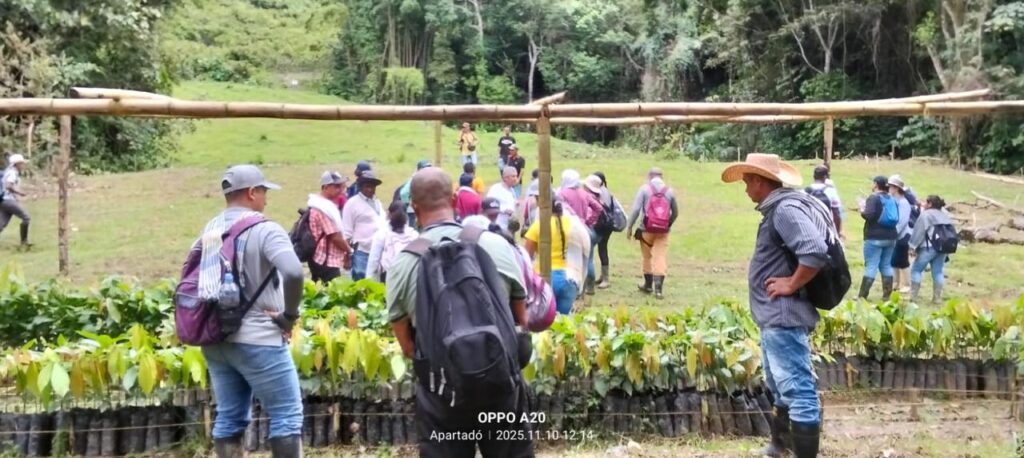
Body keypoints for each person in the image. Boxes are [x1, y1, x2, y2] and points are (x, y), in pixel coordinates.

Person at [385, 167, 533, 457]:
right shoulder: (496, 245)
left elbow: (408, 347)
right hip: (500, 385)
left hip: (442, 393)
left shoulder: (403, 263)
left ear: (414, 206)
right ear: (454, 198)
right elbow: (521, 320)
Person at [721, 153, 828, 458]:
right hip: (775, 316)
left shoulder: (784, 210)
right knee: (781, 387)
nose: (745, 189)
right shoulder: (778, 209)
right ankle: (780, 447)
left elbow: (814, 250)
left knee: (798, 389)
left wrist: (791, 283)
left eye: (747, 182)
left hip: (784, 315)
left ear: (758, 181)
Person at [200, 165, 305, 458]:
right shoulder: (265, 229)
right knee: (287, 414)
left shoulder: (210, 230)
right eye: (263, 191)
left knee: (229, 416)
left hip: (216, 339)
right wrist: (288, 317)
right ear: (251, 192)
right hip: (258, 338)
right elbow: (294, 272)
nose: (266, 198)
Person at [626, 168, 679, 300]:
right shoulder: (669, 191)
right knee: (660, 257)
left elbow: (636, 210)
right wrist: (668, 224)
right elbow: (675, 212)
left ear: (649, 176)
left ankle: (648, 285)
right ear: (662, 177)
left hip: (646, 230)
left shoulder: (644, 189)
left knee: (647, 257)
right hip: (663, 232)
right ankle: (658, 290)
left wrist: (630, 227)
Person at [525, 198, 583, 315]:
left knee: (544, 321)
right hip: (570, 278)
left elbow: (527, 256)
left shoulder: (538, 226)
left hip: (544, 278)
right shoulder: (572, 224)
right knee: (564, 322)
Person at [307, 171, 354, 284]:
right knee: (332, 291)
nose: (340, 190)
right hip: (325, 261)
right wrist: (349, 251)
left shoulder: (322, 205)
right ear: (325, 187)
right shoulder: (321, 209)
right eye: (337, 186)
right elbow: (335, 237)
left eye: (341, 186)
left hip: (319, 259)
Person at [858, 176, 899, 301]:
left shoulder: (873, 198)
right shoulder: (892, 199)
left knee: (871, 266)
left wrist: (862, 209)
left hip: (874, 237)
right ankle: (886, 296)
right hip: (891, 237)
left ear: (876, 184)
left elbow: (869, 216)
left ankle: (862, 296)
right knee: (886, 265)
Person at [909, 195, 956, 304]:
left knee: (916, 270)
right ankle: (937, 298)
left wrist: (912, 246)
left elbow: (919, 232)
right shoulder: (945, 215)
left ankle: (913, 297)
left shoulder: (926, 215)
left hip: (928, 247)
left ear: (930, 204)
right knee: (938, 272)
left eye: (926, 202)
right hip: (942, 247)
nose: (924, 204)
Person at [341, 170, 384, 281]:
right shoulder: (352, 204)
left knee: (377, 282)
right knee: (361, 281)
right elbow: (347, 232)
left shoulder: (377, 203)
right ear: (360, 187)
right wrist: (347, 256)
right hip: (362, 251)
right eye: (367, 186)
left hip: (379, 250)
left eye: (372, 187)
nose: (370, 189)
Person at [366, 202, 419, 283]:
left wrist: (369, 282)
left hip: (388, 277)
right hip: (409, 276)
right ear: (406, 215)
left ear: (388, 214)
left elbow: (373, 261)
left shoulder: (381, 234)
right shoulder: (414, 234)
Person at [588, 172, 622, 289]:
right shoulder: (605, 190)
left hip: (603, 224)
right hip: (607, 224)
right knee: (602, 248)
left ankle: (605, 279)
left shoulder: (601, 192)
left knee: (602, 249)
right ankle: (603, 276)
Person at [887, 176, 914, 296]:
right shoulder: (894, 200)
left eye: (891, 187)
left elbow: (902, 222)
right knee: (893, 261)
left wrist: (894, 233)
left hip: (902, 236)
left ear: (896, 188)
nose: (889, 189)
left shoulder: (903, 203)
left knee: (902, 261)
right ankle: (895, 284)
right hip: (895, 235)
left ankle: (906, 285)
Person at [0, 154, 32, 249]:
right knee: (26, 217)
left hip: (3, 200)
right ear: (17, 164)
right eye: (22, 163)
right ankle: (24, 242)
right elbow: (8, 186)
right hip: (8, 200)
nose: (23, 166)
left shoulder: (9, 172)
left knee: (1, 224)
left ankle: (24, 242)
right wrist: (20, 193)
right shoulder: (12, 173)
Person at [806, 166, 843, 237]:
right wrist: (837, 233)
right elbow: (836, 213)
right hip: (826, 230)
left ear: (814, 176)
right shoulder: (831, 191)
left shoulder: (805, 191)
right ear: (825, 177)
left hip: (809, 229)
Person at [394, 160, 433, 228]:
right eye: (425, 169)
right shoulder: (414, 180)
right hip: (412, 212)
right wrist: (410, 205)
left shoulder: (425, 180)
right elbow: (404, 193)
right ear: (419, 170)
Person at [486, 166, 520, 231]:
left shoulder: (512, 190)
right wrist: (504, 210)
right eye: (513, 176)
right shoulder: (496, 189)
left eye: (516, 176)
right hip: (498, 226)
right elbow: (488, 205)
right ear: (506, 178)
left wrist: (515, 203)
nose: (516, 179)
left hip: (509, 227)